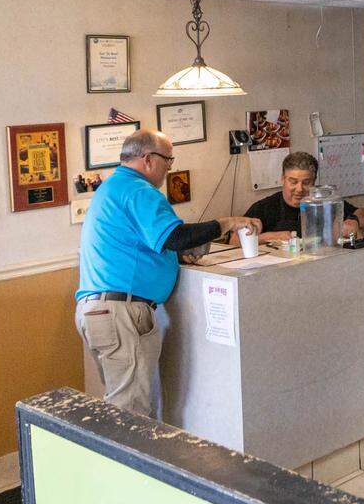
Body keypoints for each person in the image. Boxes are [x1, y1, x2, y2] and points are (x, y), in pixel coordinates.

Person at [76, 130, 260, 416]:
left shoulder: (114, 187)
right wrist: (226, 223)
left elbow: (145, 244)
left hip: (100, 310)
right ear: (148, 159)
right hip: (121, 312)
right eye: (168, 159)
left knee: (121, 405)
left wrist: (174, 257)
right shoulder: (139, 191)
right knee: (130, 411)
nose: (170, 167)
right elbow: (174, 236)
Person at [239, 151, 364, 243]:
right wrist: (268, 237)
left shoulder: (325, 202)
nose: (299, 189)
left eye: (306, 183)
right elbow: (233, 240)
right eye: (293, 182)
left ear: (314, 182)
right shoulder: (265, 207)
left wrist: (353, 220)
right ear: (282, 179)